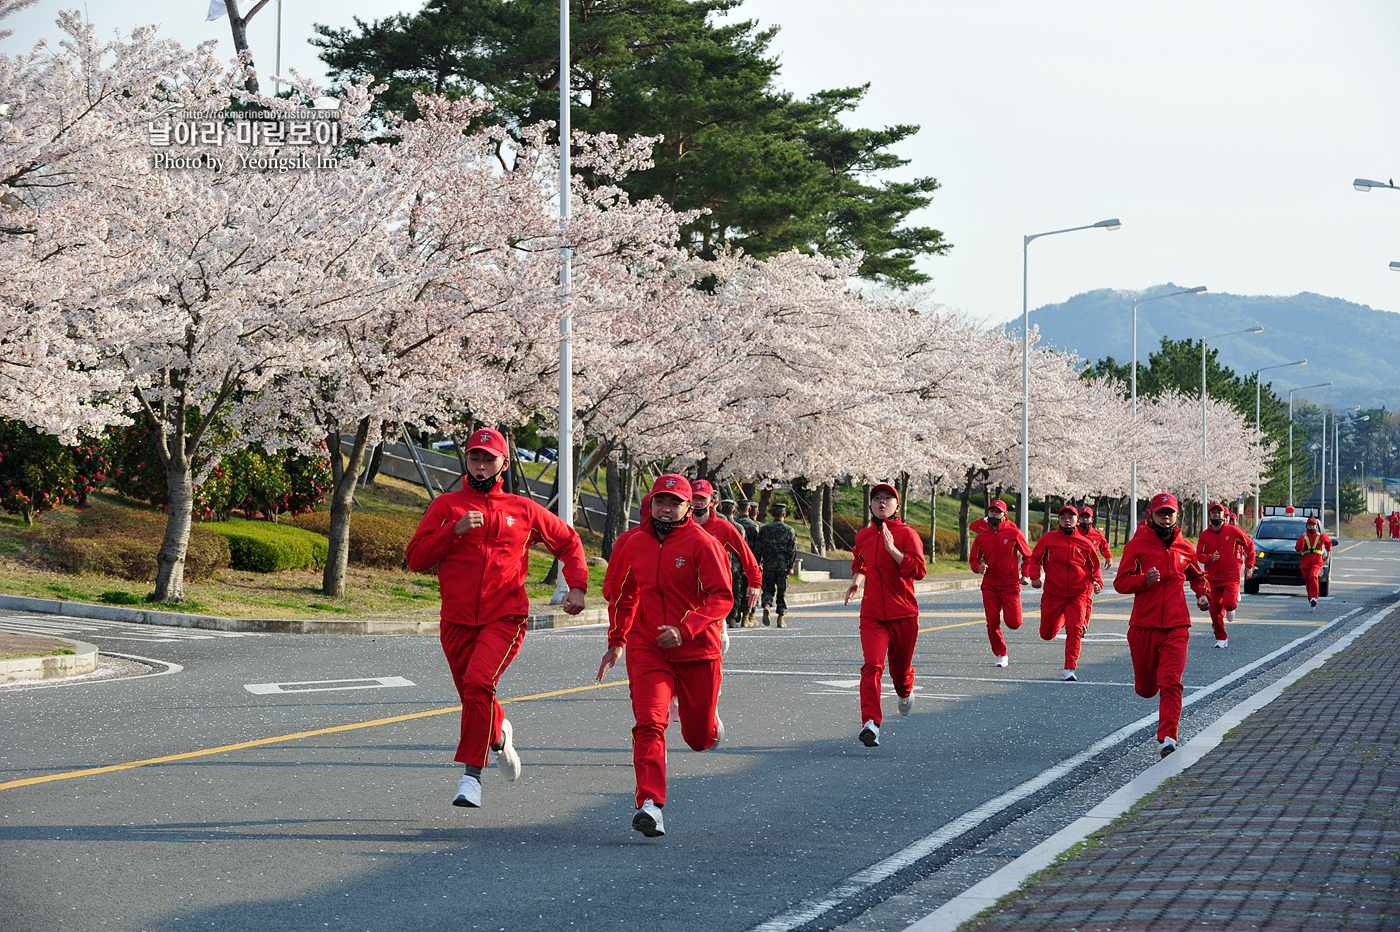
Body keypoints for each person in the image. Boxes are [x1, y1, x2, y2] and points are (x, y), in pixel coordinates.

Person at [405, 428, 588, 809]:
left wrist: (577, 586)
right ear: (466, 461)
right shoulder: (446, 506)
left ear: (504, 463)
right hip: (455, 620)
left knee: (477, 681)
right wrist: (453, 532)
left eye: (489, 459)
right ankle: (500, 734)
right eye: (475, 458)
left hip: (505, 617)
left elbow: (568, 541)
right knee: (475, 694)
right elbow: (416, 559)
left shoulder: (523, 510)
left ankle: (471, 778)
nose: (482, 465)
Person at [597, 474, 733, 838]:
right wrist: (617, 640)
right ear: (651, 504)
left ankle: (711, 724)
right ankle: (650, 805)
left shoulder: (703, 544)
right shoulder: (633, 543)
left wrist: (686, 628)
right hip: (647, 647)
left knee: (698, 738)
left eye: (675, 503)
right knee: (649, 722)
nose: (667, 509)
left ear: (690, 507)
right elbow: (624, 595)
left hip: (697, 650)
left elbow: (722, 597)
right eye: (661, 502)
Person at [1114, 493, 1211, 758]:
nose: (1165, 517)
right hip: (1143, 626)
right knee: (1146, 689)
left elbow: (1197, 575)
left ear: (1176, 516)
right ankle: (1151, 695)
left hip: (1176, 625)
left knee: (1171, 682)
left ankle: (1168, 737)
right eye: (1160, 513)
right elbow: (1121, 583)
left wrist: (1203, 595)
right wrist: (1144, 580)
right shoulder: (1137, 545)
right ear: (1151, 515)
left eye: (1170, 513)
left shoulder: (1184, 547)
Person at [843, 482, 928, 747]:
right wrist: (857, 581)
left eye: (887, 498)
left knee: (900, 674)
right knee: (872, 665)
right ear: (870, 505)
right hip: (872, 615)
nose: (882, 502)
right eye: (877, 498)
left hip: (903, 613)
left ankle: (905, 691)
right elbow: (861, 562)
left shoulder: (907, 534)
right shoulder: (863, 536)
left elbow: (919, 571)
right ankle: (871, 723)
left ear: (897, 505)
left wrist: (893, 551)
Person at [1025, 504, 1102, 681]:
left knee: (1075, 630)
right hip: (1053, 594)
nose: (1067, 520)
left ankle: (1069, 669)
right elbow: (1035, 558)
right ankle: (1063, 618)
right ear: (1059, 520)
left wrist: (1097, 582)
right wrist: (1035, 576)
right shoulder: (1048, 539)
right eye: (1063, 518)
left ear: (1077, 521)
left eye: (1071, 517)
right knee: (1046, 634)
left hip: (1077, 595)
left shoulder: (1085, 543)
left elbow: (1094, 567)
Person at [968, 499, 1031, 667]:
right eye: (991, 511)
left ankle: (1012, 615)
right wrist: (978, 568)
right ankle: (1001, 653)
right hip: (989, 586)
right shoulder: (982, 536)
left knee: (1014, 623)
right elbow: (973, 559)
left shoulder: (1014, 533)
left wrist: (1025, 574)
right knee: (992, 622)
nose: (994, 514)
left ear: (1004, 514)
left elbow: (1028, 556)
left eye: (998, 511)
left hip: (1010, 584)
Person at [690, 480, 760, 630]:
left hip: (713, 597)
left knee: (716, 644)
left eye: (702, 499)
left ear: (712, 502)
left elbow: (746, 554)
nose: (698, 502)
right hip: (686, 595)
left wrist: (755, 582)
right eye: (694, 498)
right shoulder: (681, 525)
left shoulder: (724, 528)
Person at [1195, 501, 1256, 646]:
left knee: (1229, 603)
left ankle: (1230, 608)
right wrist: (1210, 558)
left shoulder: (1234, 531)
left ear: (1224, 515)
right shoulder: (1204, 535)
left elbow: (1250, 545)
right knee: (1214, 610)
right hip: (1212, 579)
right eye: (1213, 512)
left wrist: (1249, 566)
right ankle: (1221, 638)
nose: (1216, 515)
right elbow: (1199, 555)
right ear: (1209, 515)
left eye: (1219, 512)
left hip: (1231, 577)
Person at [756, 501, 797, 627]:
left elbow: (758, 548)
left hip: (768, 565)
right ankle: (780, 618)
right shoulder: (789, 530)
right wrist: (791, 566)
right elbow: (792, 550)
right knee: (782, 591)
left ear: (772, 514)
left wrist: (758, 563)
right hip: (782, 566)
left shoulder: (764, 529)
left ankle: (767, 605)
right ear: (784, 514)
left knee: (768, 588)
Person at [733, 501, 762, 625]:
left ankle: (733, 615)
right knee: (748, 589)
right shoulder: (755, 526)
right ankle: (747, 615)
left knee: (734, 589)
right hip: (749, 561)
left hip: (733, 561)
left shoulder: (732, 524)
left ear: (737, 509)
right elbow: (758, 547)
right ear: (749, 509)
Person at [1295, 516, 1332, 609]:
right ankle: (1311, 600)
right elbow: (1297, 549)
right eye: (1309, 525)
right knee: (1308, 582)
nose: (1311, 527)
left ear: (1316, 526)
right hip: (1305, 563)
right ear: (1306, 526)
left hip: (1317, 562)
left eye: (1313, 525)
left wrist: (1327, 552)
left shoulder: (1321, 536)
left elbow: (1329, 542)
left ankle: (1314, 598)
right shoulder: (1302, 537)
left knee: (1313, 576)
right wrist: (1302, 541)